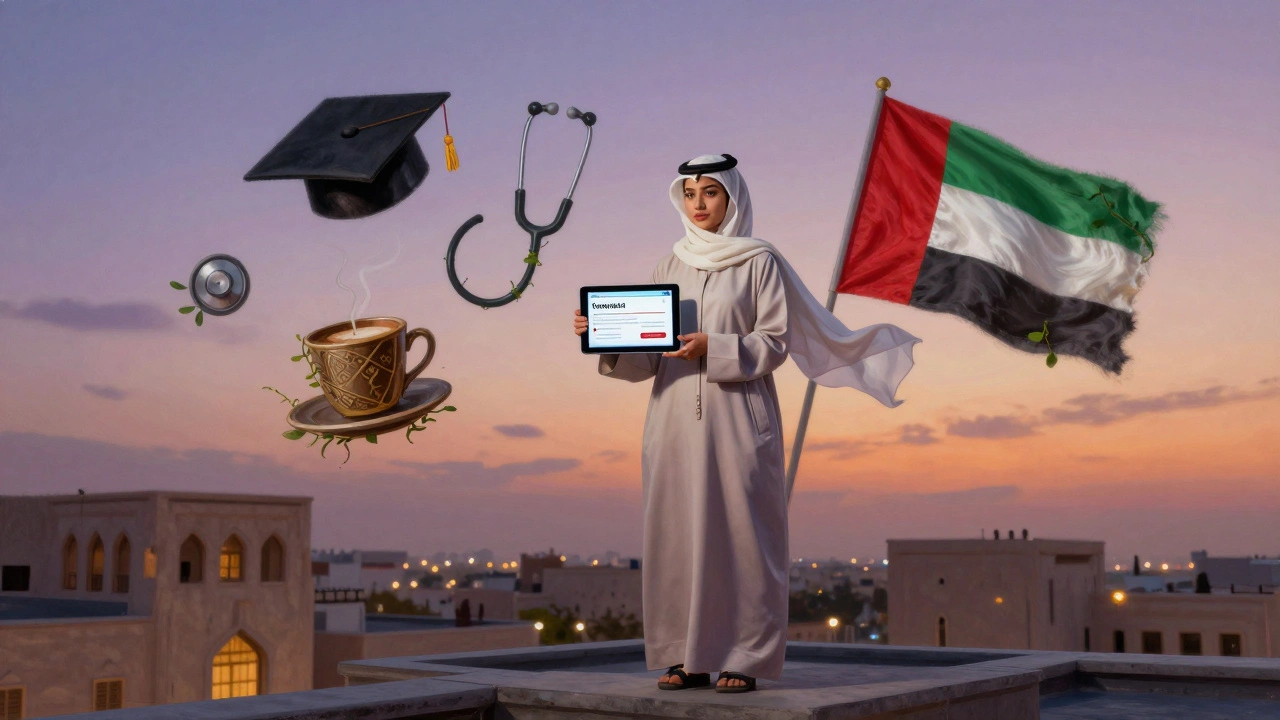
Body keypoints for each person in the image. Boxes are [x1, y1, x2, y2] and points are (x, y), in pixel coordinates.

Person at [572, 154, 919, 693]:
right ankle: (687, 657)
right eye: (689, 194)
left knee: (741, 537)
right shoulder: (669, 266)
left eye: (710, 192)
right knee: (677, 536)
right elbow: (647, 360)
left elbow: (775, 342)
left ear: (732, 198)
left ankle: (745, 657)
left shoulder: (760, 262)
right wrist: (603, 333)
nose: (699, 204)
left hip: (739, 416)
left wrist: (717, 346)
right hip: (672, 420)